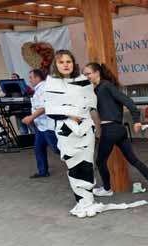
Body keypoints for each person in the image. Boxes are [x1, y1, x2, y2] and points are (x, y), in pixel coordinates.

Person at [82, 62, 148, 198]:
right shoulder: (98, 89)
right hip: (119, 129)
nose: (86, 76)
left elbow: (128, 101)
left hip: (110, 130)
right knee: (133, 159)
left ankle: (107, 189)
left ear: (97, 73)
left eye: (88, 73)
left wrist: (137, 120)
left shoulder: (106, 86)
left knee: (100, 162)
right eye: (85, 74)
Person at [41, 50, 100, 218]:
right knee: (73, 165)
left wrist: (96, 126)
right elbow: (50, 110)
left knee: (87, 164)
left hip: (85, 128)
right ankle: (81, 201)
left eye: (68, 61)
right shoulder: (51, 83)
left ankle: (89, 202)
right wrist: (69, 114)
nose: (66, 64)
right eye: (61, 62)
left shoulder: (82, 81)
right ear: (56, 65)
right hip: (66, 131)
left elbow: (91, 104)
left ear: (73, 63)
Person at [22, 69, 60, 178]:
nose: (29, 80)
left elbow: (44, 107)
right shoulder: (38, 89)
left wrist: (31, 117)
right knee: (38, 148)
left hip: (48, 126)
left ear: (37, 78)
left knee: (57, 149)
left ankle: (78, 162)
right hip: (41, 126)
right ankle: (43, 171)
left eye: (31, 77)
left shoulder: (43, 88)